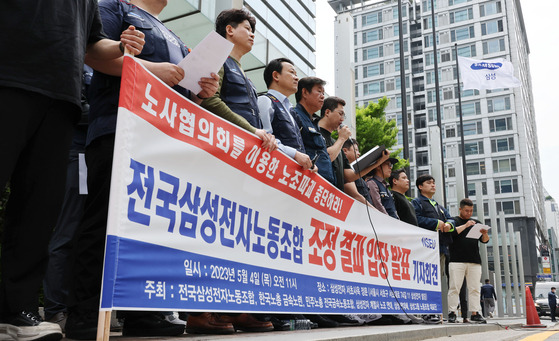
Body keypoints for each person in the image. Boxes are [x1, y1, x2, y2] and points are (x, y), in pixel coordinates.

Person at [64, 0, 219, 339]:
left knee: (151, 226)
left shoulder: (176, 37)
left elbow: (180, 88)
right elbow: (92, 54)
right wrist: (153, 69)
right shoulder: (115, 8)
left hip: (163, 139)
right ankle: (85, 313)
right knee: (103, 220)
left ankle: (144, 313)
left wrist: (201, 91)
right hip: (120, 127)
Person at [0, 1, 144, 340]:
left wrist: (122, 45)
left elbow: (94, 43)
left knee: (37, 210)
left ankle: (14, 312)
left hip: (62, 99)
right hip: (9, 79)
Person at [201, 8, 275, 153]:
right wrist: (251, 130)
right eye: (247, 29)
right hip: (224, 145)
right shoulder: (216, 58)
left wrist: (264, 134)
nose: (252, 35)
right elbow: (209, 100)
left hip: (246, 149)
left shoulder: (246, 78)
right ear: (229, 30)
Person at [412, 174, 454, 324]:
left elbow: (451, 219)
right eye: (429, 183)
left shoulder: (438, 206)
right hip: (425, 248)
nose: (433, 185)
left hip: (441, 247)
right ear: (420, 187)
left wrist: (449, 224)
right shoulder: (417, 203)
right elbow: (416, 219)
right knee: (426, 280)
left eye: (434, 182)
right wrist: (436, 223)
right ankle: (427, 312)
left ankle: (435, 311)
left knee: (437, 281)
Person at [257, 58, 312, 170]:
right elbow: (264, 138)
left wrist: (308, 162)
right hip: (272, 171)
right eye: (292, 72)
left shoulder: (291, 110)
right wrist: (294, 154)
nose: (297, 78)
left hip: (290, 175)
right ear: (276, 76)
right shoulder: (265, 101)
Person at [446, 198, 489, 324]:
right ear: (460, 209)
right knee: (454, 287)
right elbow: (451, 233)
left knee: (475, 288)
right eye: (466, 211)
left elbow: (485, 241)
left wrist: (485, 233)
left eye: (471, 211)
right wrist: (466, 225)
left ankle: (475, 313)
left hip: (474, 260)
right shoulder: (454, 220)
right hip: (456, 260)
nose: (469, 213)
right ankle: (452, 313)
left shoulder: (477, 222)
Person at [292, 77, 335, 184]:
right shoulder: (295, 116)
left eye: (323, 93)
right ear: (305, 92)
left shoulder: (314, 122)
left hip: (323, 186)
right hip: (306, 182)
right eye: (319, 91)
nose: (323, 96)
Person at [342, 139, 373, 205]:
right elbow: (356, 196)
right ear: (345, 151)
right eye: (356, 150)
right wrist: (376, 213)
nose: (359, 153)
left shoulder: (355, 172)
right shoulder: (344, 172)